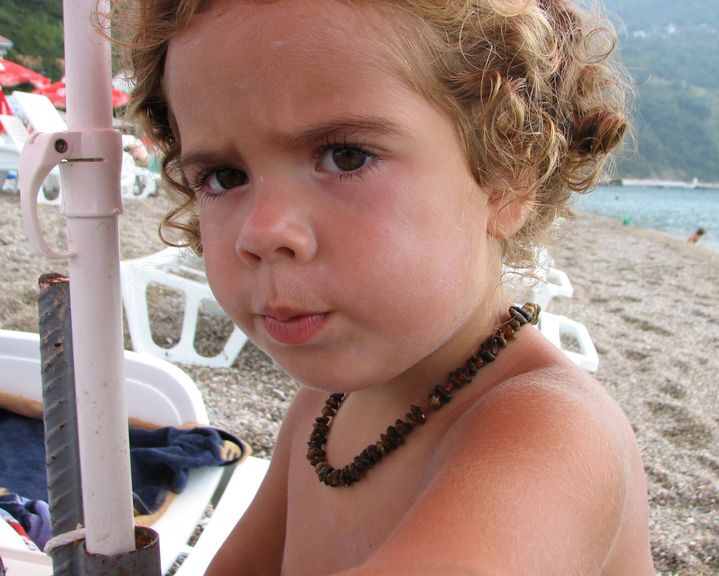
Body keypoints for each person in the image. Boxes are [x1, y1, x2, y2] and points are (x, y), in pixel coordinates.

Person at [113, 0, 655, 574]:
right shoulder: (322, 406)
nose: (262, 232)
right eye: (225, 177)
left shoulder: (552, 434)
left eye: (345, 157)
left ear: (506, 178)